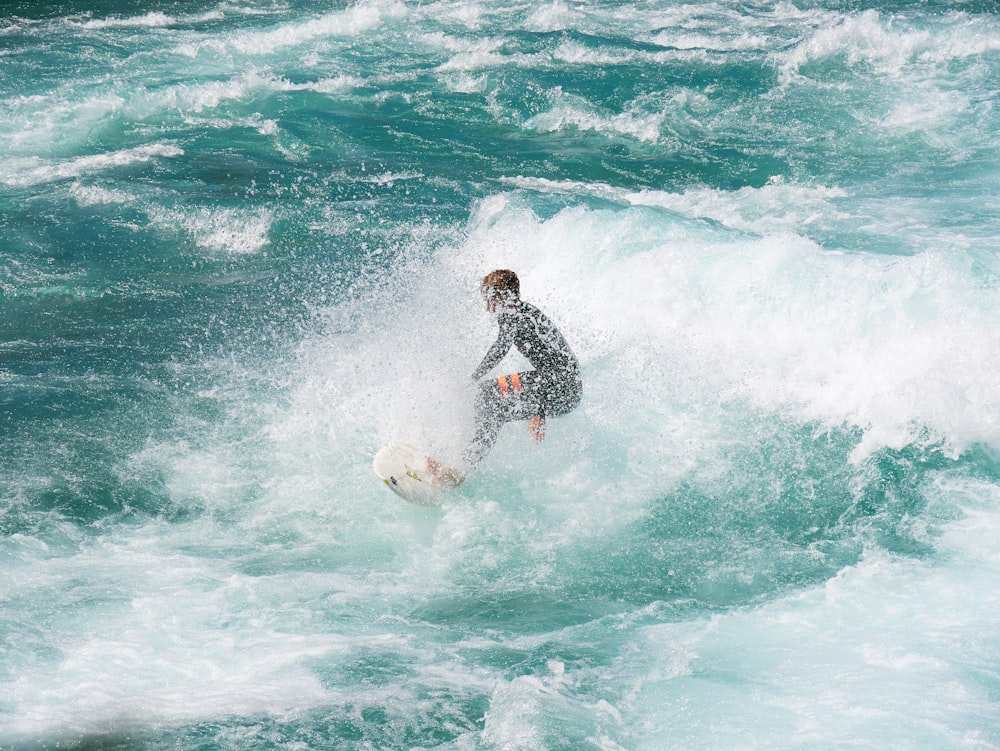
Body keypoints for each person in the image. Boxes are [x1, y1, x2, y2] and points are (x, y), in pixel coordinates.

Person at [428, 269, 583, 484]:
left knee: (494, 407)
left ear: (504, 297)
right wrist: (472, 379)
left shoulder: (519, 318)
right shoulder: (518, 312)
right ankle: (458, 460)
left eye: (490, 299)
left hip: (561, 390)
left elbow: (546, 365)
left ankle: (460, 470)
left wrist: (541, 411)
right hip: (557, 384)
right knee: (486, 395)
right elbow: (504, 349)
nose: (487, 306)